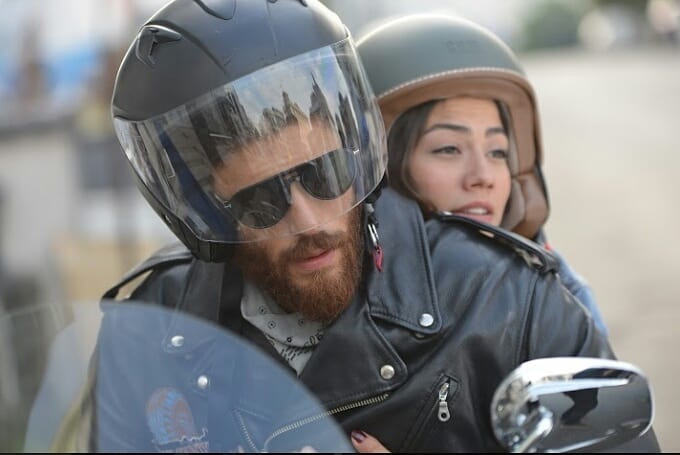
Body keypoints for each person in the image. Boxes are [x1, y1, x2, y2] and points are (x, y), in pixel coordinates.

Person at [69, 1, 658, 452]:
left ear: (356, 151)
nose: (308, 220)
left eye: (323, 174)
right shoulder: (146, 335)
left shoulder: (510, 302)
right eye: (261, 201)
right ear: (209, 210)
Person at [356, 13, 608, 337]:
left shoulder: (562, 299)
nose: (483, 176)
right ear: (380, 167)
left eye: (498, 152)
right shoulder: (328, 296)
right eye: (449, 149)